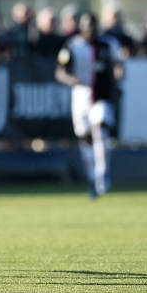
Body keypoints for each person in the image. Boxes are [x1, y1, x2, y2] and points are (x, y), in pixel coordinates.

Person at [55, 12, 122, 199]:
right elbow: (60, 72)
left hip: (102, 95)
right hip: (81, 96)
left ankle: (102, 174)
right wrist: (72, 79)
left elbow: (118, 65)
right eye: (87, 27)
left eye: (93, 27)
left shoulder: (108, 44)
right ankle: (92, 177)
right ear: (81, 28)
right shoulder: (72, 45)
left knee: (100, 129)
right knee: (85, 138)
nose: (90, 31)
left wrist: (118, 74)